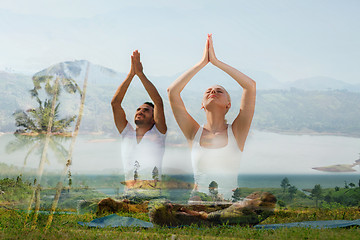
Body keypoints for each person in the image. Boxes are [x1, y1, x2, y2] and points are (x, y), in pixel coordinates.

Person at [167, 34, 256, 200]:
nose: (213, 92)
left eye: (219, 91)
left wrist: (216, 62)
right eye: (208, 91)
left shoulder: (237, 132)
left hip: (229, 206)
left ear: (228, 104)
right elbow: (173, 92)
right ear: (202, 104)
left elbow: (250, 86)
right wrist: (202, 62)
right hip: (198, 204)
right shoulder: (193, 132)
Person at [111, 50, 167, 187]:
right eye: (138, 109)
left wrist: (140, 75)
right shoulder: (127, 133)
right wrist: (131, 75)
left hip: (153, 195)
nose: (140, 112)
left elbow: (158, 101)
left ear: (154, 118)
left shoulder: (159, 133)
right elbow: (115, 104)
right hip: (129, 196)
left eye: (146, 110)